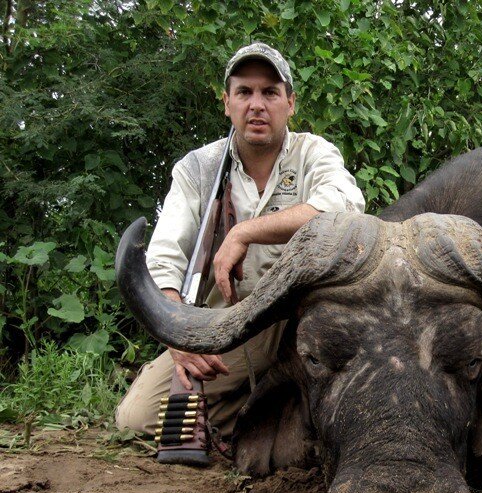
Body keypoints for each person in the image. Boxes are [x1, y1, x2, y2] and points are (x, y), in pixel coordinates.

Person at [115, 42, 365, 437]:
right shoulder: (198, 168)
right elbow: (164, 259)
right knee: (138, 419)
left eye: (270, 92)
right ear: (227, 103)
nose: (257, 105)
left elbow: (346, 208)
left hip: (299, 322)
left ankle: (276, 410)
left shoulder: (313, 154)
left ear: (291, 103)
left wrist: (244, 230)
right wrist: (179, 334)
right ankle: (273, 415)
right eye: (244, 92)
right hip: (225, 328)